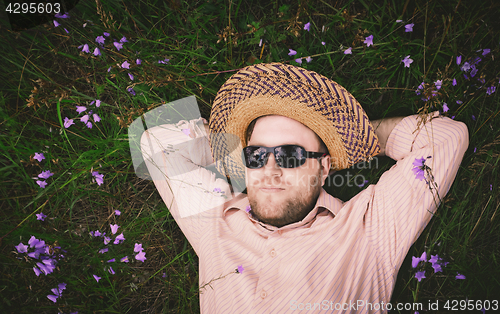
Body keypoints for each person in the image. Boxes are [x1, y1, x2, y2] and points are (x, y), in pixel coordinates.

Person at [140, 63, 469, 313]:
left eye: (291, 155)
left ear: (324, 167)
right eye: (257, 155)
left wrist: (360, 140)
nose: (270, 170)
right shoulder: (216, 223)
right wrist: (229, 150)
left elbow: (447, 138)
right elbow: (154, 139)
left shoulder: (367, 232)